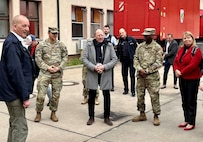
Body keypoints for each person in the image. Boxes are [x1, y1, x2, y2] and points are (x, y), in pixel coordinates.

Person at [0, 15, 33, 142]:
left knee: (14, 124)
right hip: (14, 94)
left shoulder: (16, 42)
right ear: (15, 26)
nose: (27, 29)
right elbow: (16, 72)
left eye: (28, 26)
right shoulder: (12, 43)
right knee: (20, 127)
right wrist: (24, 97)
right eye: (23, 26)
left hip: (13, 92)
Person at [82, 29, 117, 126]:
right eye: (98, 35)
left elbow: (114, 59)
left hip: (105, 73)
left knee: (106, 95)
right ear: (95, 36)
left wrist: (104, 67)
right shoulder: (89, 45)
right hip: (93, 72)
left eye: (102, 35)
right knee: (91, 95)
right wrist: (94, 67)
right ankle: (91, 117)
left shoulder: (109, 45)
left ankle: (106, 117)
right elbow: (84, 59)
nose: (100, 37)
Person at [34, 27, 68, 122]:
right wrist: (47, 67)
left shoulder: (61, 45)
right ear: (48, 33)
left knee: (56, 95)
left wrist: (59, 67)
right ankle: (38, 112)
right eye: (53, 33)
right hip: (45, 73)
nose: (55, 35)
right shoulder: (41, 45)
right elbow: (38, 58)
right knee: (41, 95)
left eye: (56, 33)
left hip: (57, 73)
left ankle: (53, 113)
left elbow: (65, 57)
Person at [132, 28, 163, 126]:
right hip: (140, 76)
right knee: (140, 95)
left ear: (152, 36)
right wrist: (139, 69)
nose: (144, 37)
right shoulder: (140, 46)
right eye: (144, 35)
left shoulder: (157, 47)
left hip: (152, 77)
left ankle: (156, 115)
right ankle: (142, 114)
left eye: (146, 35)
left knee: (154, 96)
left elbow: (159, 62)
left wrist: (147, 71)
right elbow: (135, 58)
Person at [173, 31, 202, 130]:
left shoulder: (196, 50)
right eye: (185, 38)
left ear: (192, 39)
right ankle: (186, 119)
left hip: (192, 79)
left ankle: (191, 122)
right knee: (184, 100)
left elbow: (193, 65)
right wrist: (176, 69)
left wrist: (181, 72)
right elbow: (176, 61)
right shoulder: (181, 49)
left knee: (191, 101)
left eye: (189, 37)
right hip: (182, 78)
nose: (186, 40)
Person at [26, 34, 52, 106]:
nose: (30, 45)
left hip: (41, 70)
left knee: (45, 85)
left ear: (34, 41)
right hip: (32, 70)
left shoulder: (41, 47)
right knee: (28, 85)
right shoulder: (29, 48)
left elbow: (45, 59)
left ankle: (51, 99)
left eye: (31, 43)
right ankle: (25, 100)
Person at [117, 28, 137, 97]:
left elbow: (136, 48)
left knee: (132, 76)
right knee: (124, 76)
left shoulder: (131, 39)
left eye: (122, 33)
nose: (121, 34)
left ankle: (133, 91)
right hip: (124, 61)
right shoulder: (120, 41)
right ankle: (126, 89)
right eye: (120, 33)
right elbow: (118, 50)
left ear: (125, 32)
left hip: (131, 61)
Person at [103, 24, 118, 91]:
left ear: (109, 30)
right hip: (103, 57)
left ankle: (111, 86)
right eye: (105, 29)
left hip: (110, 58)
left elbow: (116, 47)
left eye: (107, 29)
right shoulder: (102, 37)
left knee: (110, 72)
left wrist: (115, 60)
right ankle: (104, 85)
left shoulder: (112, 38)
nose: (106, 30)